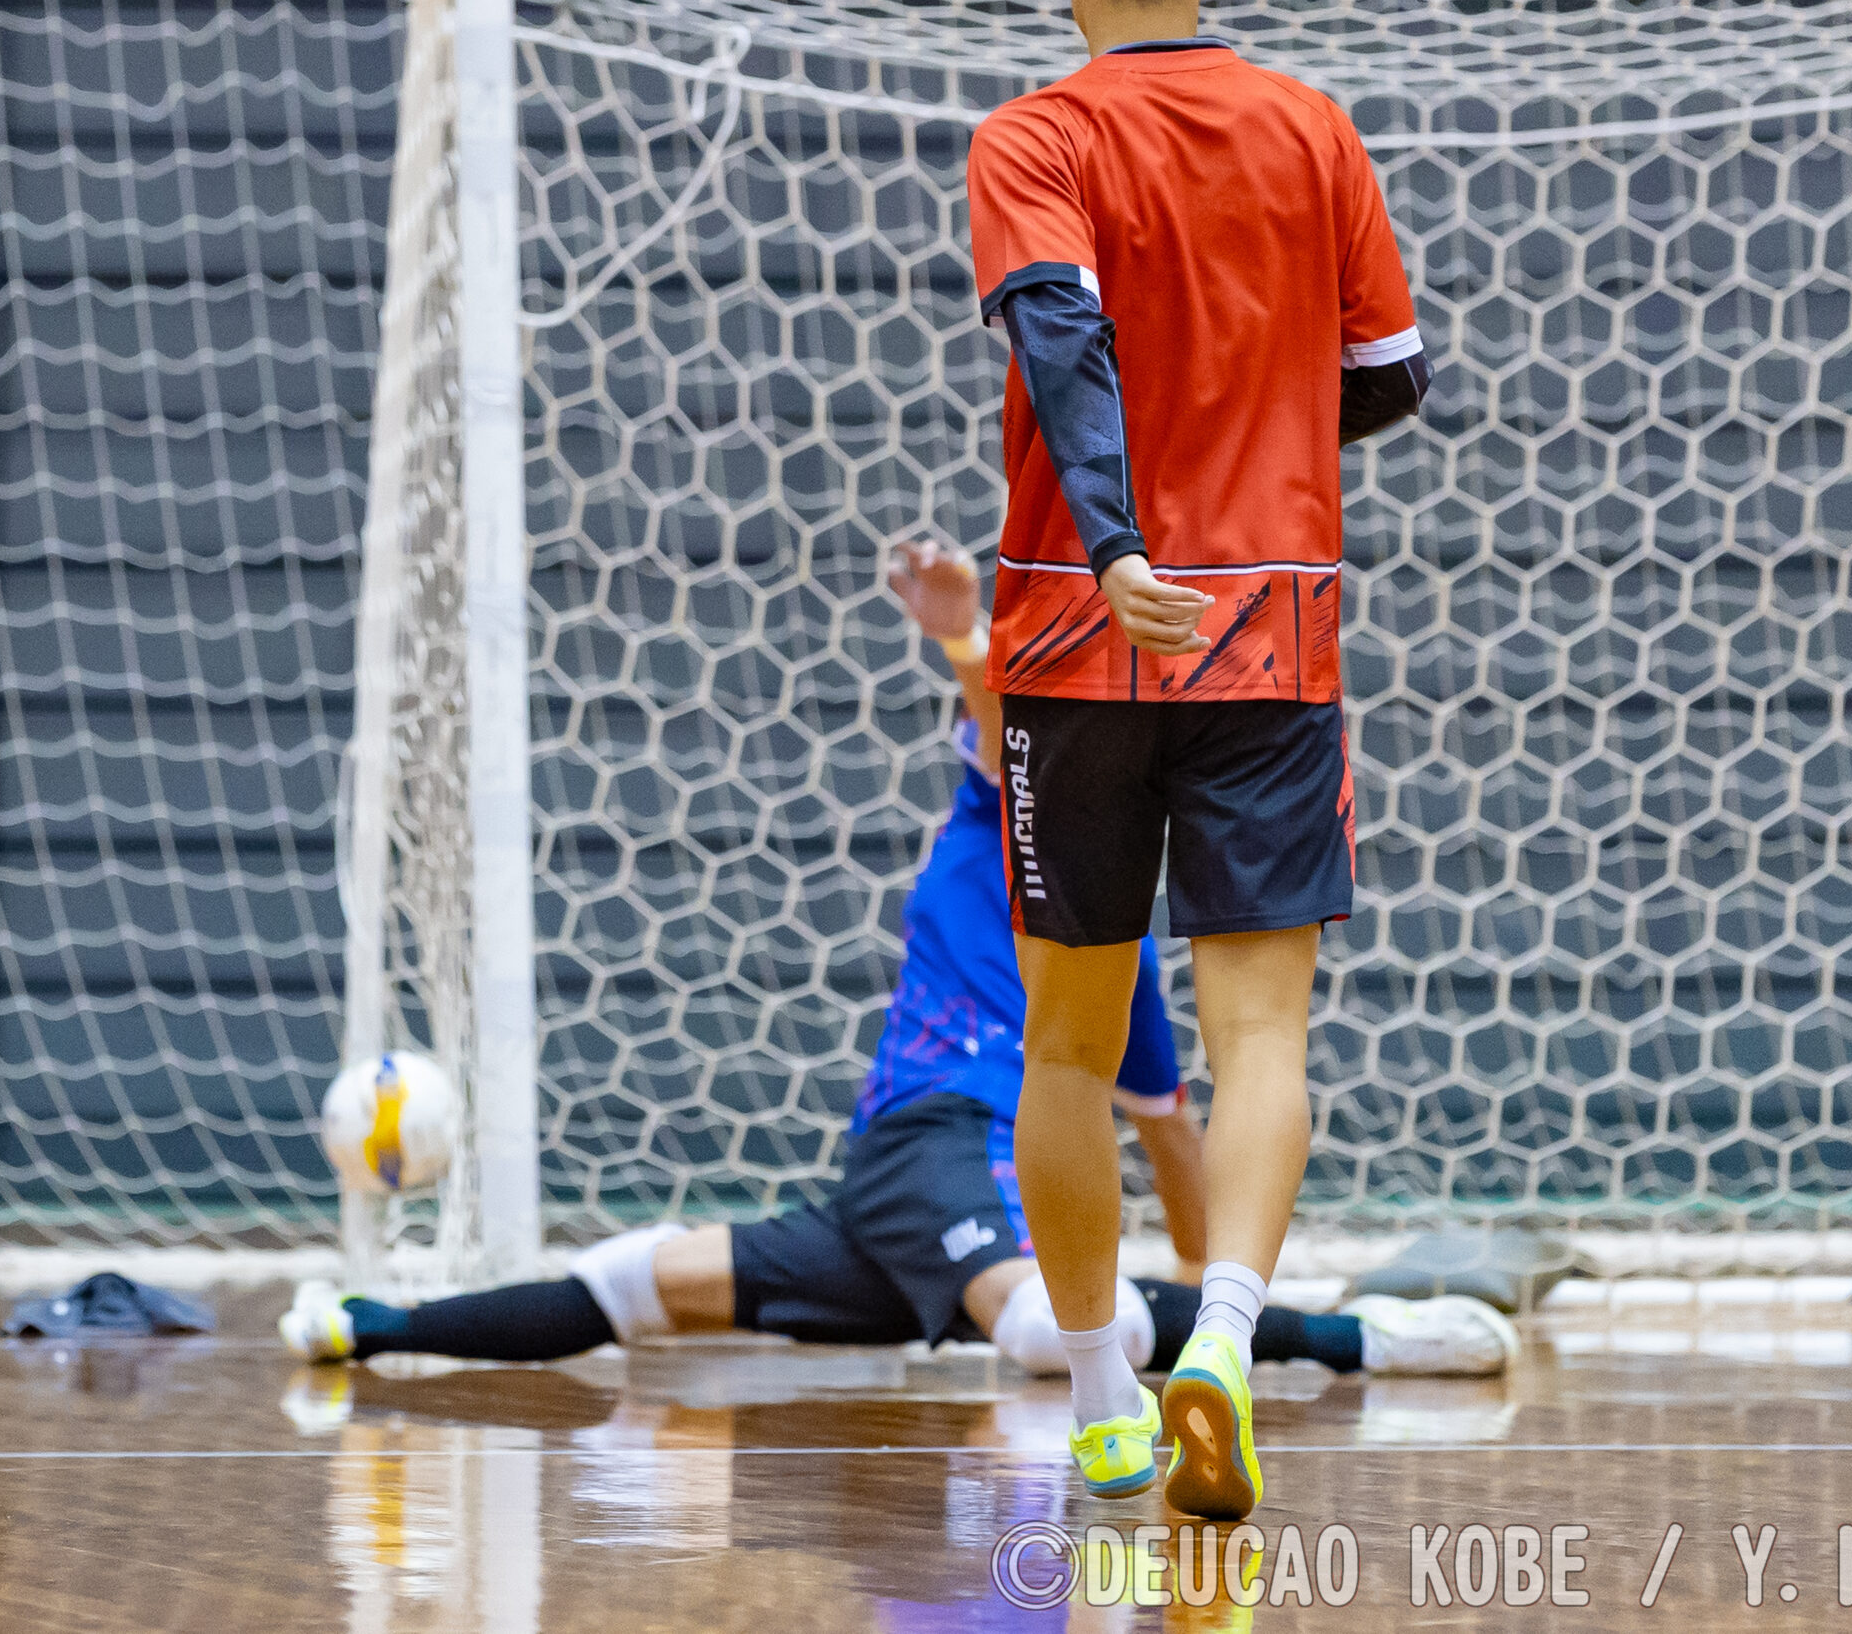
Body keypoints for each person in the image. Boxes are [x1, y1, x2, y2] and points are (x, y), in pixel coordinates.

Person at [282, 547, 1505, 1402]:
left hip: (960, 1162)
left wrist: (1211, 1296)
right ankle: (360, 1324)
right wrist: (964, 636)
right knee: (633, 1282)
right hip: (901, 1164)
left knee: (1046, 1331)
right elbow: (1004, 722)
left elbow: (1169, 1135)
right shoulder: (1005, 819)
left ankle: (1356, 1341)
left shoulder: (1123, 957)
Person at [969, 0, 1432, 1514]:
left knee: (1069, 1042)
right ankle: (1222, 1340)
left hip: (1077, 629)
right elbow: (1392, 373)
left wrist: (1117, 542)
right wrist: (1260, 429)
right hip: (1269, 630)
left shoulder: (1033, 137)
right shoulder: (1314, 129)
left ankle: (1106, 1398)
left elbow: (1059, 331)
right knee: (1262, 1036)